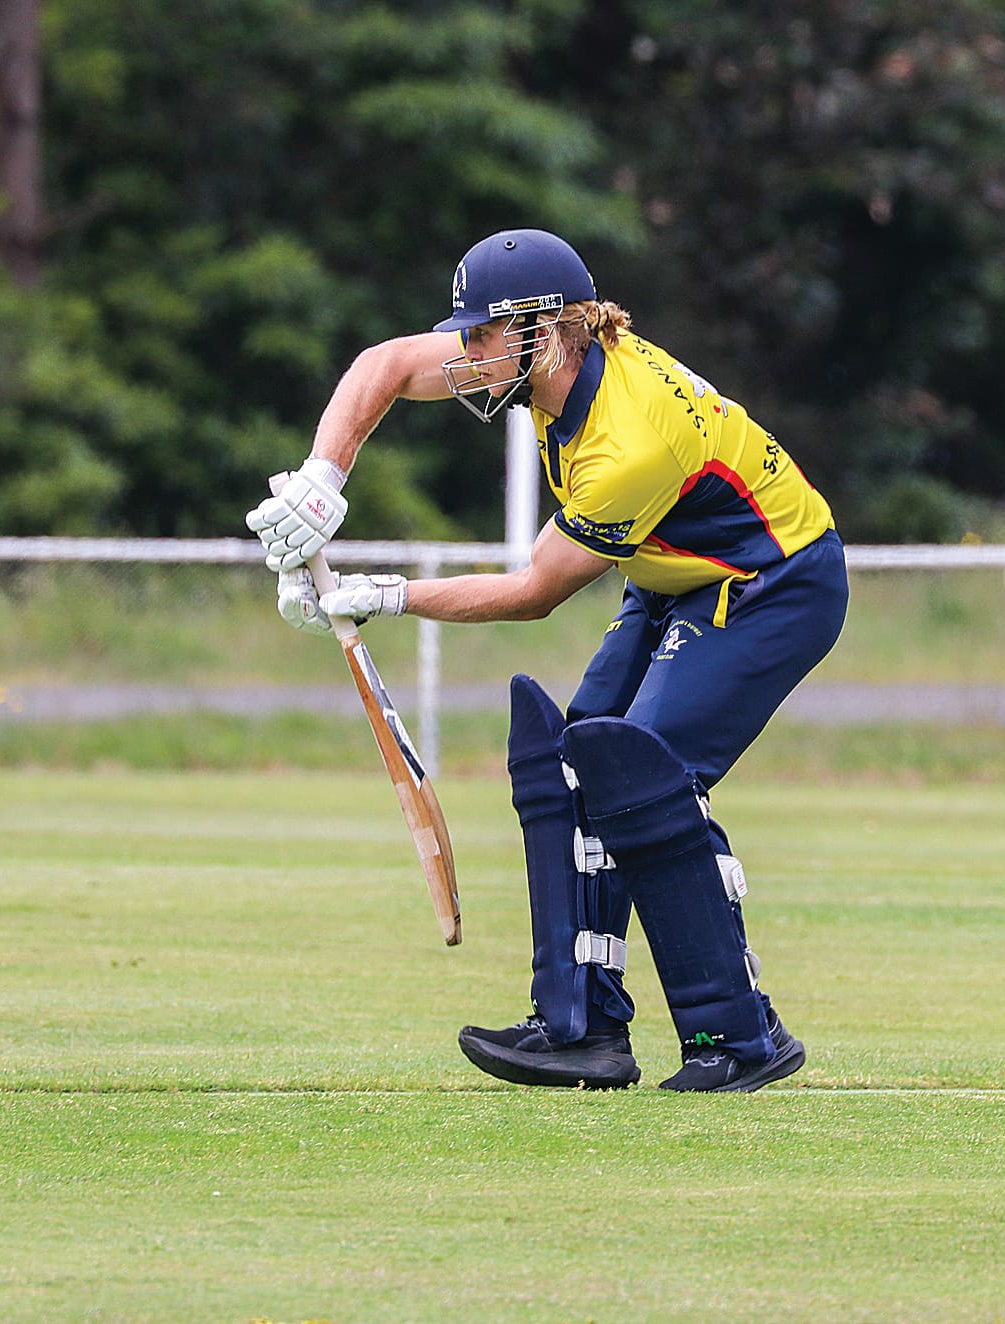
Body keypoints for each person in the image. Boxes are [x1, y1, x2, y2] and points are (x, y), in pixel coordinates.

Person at [246, 228, 847, 1093]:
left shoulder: (631, 441)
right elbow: (381, 364)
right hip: (671, 575)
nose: (466, 354)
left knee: (643, 777)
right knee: (573, 771)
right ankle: (581, 1030)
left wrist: (385, 596)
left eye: (484, 336)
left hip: (771, 580)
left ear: (546, 330)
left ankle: (738, 1036)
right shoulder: (548, 364)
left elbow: (536, 590)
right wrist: (320, 481)